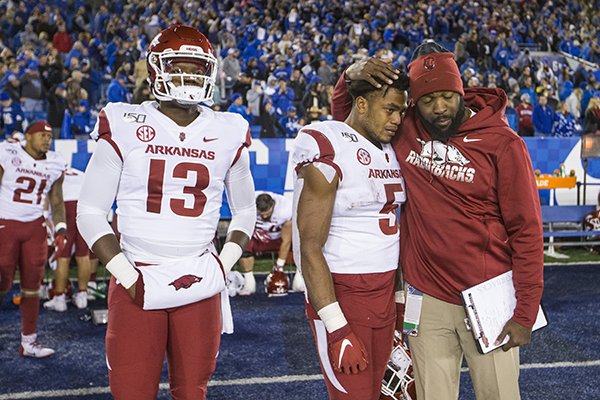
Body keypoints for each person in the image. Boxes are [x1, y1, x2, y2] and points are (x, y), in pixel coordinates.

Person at [332, 41, 544, 400]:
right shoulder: (405, 128)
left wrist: (526, 311)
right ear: (415, 101)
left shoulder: (502, 144)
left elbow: (526, 231)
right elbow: (349, 118)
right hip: (426, 299)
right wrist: (347, 77)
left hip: (488, 298)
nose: (439, 108)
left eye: (447, 96)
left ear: (460, 91)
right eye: (428, 100)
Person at [76, 25, 256, 399]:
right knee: (131, 391)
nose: (190, 77)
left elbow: (245, 211)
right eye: (180, 67)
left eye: (197, 68)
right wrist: (127, 276)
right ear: (157, 68)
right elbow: (90, 211)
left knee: (193, 391)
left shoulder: (229, 129)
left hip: (200, 275)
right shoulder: (126, 122)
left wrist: (224, 264)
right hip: (137, 272)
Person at [292, 73, 409, 399]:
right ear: (361, 103)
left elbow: (393, 234)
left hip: (385, 296)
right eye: (389, 110)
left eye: (401, 112)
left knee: (386, 394)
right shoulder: (327, 142)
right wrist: (337, 327)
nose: (397, 120)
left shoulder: (390, 149)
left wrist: (399, 308)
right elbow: (309, 245)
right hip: (343, 296)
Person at [0, 120, 67, 358]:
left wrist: (61, 228)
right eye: (42, 135)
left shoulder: (55, 163)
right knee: (2, 281)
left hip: (35, 228)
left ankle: (28, 342)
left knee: (32, 286)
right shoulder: (8, 152)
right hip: (5, 223)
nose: (47, 140)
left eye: (49, 136)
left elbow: (57, 200)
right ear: (29, 137)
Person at [237, 191, 303, 296]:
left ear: (273, 205)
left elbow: (286, 240)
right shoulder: (247, 204)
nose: (264, 217)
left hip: (279, 238)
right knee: (242, 242)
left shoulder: (286, 209)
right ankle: (249, 284)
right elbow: (239, 224)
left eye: (267, 214)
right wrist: (251, 232)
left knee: (300, 243)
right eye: (261, 214)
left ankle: (300, 278)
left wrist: (279, 266)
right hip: (257, 237)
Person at [43, 167, 91, 312]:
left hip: (66, 207)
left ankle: (59, 298)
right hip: (85, 207)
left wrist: (45, 215)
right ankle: (82, 296)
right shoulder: (80, 173)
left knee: (63, 256)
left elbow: (46, 196)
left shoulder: (52, 171)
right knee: (83, 254)